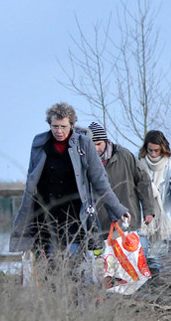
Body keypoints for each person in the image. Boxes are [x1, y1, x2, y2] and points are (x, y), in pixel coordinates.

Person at [10, 102, 129, 261]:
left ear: (72, 125)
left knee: (73, 261)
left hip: (74, 215)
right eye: (55, 126)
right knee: (49, 264)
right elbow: (31, 180)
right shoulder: (40, 143)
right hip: (46, 214)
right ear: (50, 125)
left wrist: (118, 209)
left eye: (63, 126)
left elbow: (100, 181)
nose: (59, 131)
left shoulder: (84, 144)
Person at [88, 121, 157, 242]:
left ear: (106, 141)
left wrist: (149, 210)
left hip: (126, 220)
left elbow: (143, 181)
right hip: (99, 225)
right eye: (91, 144)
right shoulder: (85, 162)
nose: (95, 148)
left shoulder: (124, 156)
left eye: (98, 144)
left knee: (128, 259)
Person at [138, 130, 171, 276]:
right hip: (142, 216)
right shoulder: (139, 164)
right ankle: (142, 286)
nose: (153, 154)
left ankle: (153, 287)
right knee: (142, 252)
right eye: (150, 150)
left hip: (162, 218)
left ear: (162, 149)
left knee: (154, 257)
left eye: (156, 151)